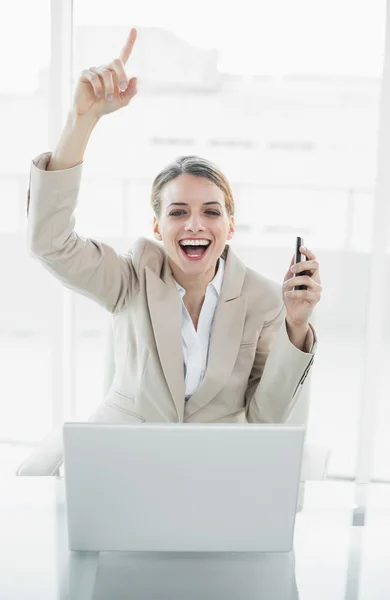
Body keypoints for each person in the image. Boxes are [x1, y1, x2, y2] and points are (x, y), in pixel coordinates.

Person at [18, 28, 322, 476]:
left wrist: (296, 324)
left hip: (211, 472)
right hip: (124, 464)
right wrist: (82, 121)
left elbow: (266, 419)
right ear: (158, 227)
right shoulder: (130, 279)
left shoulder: (262, 301)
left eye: (211, 212)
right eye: (178, 212)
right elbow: (50, 243)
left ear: (230, 226)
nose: (195, 224)